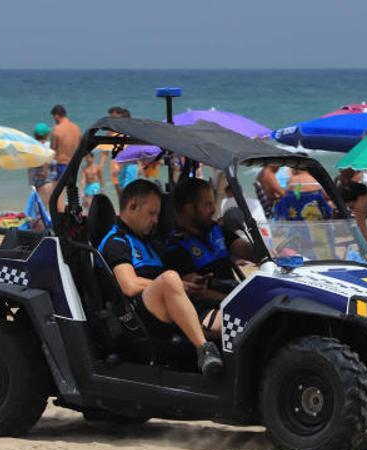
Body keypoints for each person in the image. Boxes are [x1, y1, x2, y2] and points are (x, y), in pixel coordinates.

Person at [98, 180, 223, 376]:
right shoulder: (117, 242)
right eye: (152, 213)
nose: (157, 220)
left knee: (233, 321)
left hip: (169, 307)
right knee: (170, 279)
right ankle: (204, 349)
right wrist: (175, 284)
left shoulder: (148, 243)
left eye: (157, 214)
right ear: (132, 207)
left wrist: (187, 281)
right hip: (136, 317)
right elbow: (128, 285)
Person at [163, 177, 254, 333]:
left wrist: (258, 242)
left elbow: (247, 251)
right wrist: (238, 301)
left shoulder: (216, 229)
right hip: (206, 307)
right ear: (189, 209)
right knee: (251, 323)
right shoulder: (174, 246)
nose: (213, 210)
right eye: (208, 205)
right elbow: (197, 291)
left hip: (232, 295)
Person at [44, 104, 81, 213]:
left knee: (58, 193)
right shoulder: (76, 128)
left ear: (56, 116)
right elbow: (80, 147)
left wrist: (45, 168)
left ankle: (61, 219)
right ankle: (74, 215)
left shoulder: (56, 129)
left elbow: (52, 151)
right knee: (72, 193)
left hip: (61, 164)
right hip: (74, 165)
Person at [26, 123, 52, 190]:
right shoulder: (48, 145)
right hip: (46, 179)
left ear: (35, 135)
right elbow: (46, 161)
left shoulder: (29, 147)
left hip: (33, 180)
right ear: (47, 135)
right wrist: (44, 172)